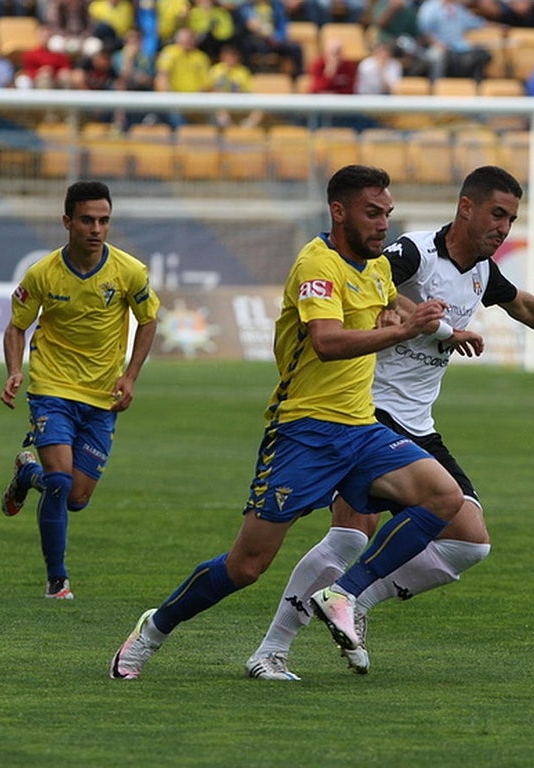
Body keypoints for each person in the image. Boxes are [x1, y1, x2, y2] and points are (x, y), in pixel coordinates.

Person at [243, 166, 534, 681]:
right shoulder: (414, 252)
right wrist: (433, 324)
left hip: (418, 421)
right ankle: (272, 650)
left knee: (469, 540)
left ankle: (354, 602)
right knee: (350, 537)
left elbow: (518, 300)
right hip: (365, 410)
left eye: (511, 219)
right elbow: (372, 281)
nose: (503, 228)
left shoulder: (481, 269)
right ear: (466, 208)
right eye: (497, 214)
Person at [109, 165, 465, 680]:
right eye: (372, 213)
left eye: (387, 213)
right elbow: (326, 340)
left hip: (362, 429)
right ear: (338, 211)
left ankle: (344, 594)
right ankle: (153, 630)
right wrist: (402, 330)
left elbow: (388, 301)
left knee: (443, 498)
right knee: (245, 567)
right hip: (304, 433)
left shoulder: (377, 267)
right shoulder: (316, 265)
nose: (382, 223)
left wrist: (427, 324)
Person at [0, 181, 161, 600]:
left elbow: (148, 320)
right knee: (59, 482)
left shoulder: (129, 271)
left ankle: (25, 473)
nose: (96, 228)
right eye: (87, 220)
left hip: (102, 397)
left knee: (75, 497)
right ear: (67, 221)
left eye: (104, 221)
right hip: (51, 388)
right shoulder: (42, 273)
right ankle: (58, 581)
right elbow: (17, 325)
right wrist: (15, 370)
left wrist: (130, 376)